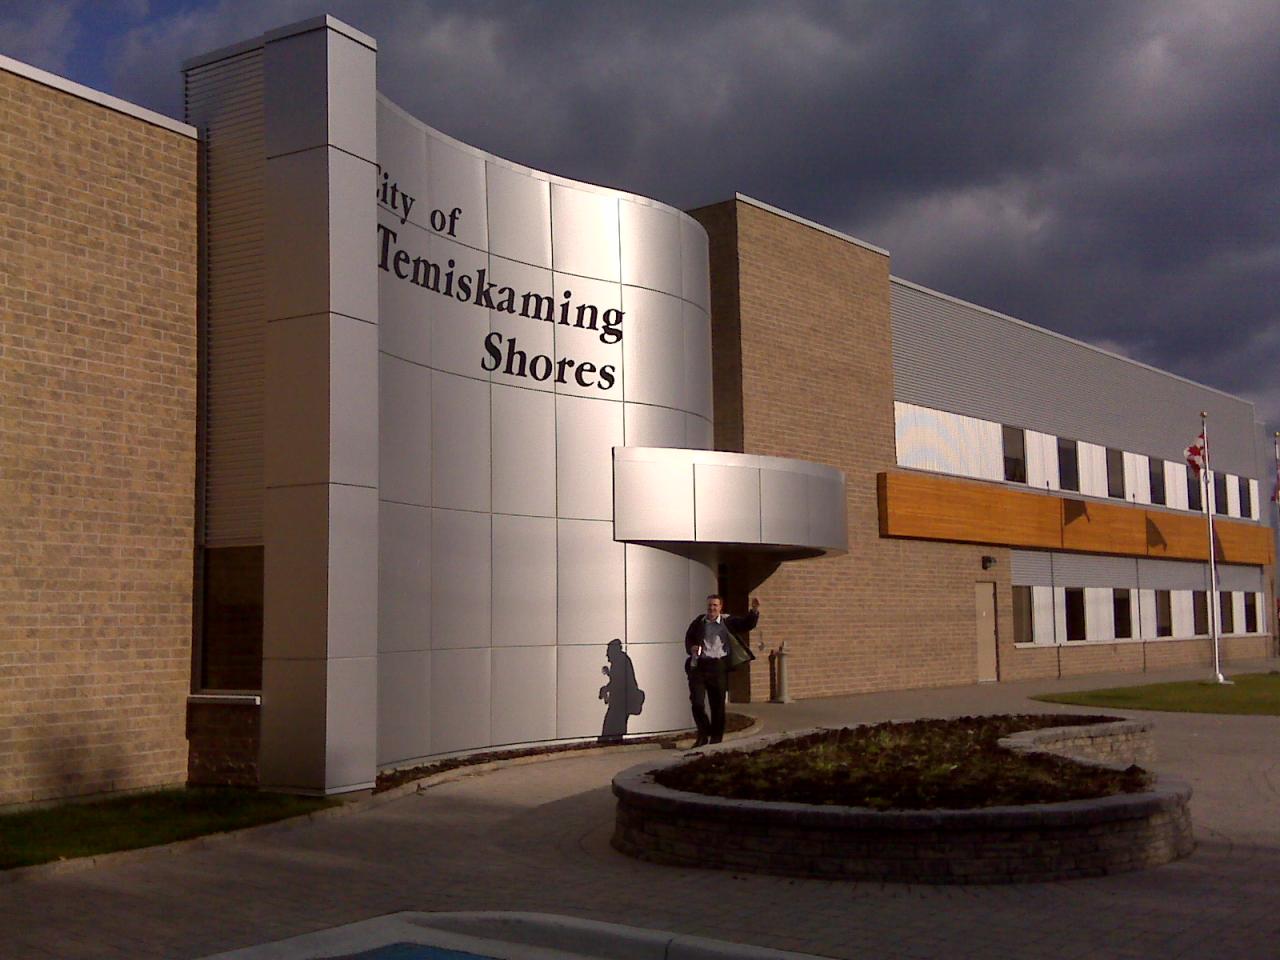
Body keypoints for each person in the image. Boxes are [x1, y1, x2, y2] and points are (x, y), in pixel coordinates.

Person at [685, 594, 760, 747]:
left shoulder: (727, 621)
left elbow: (746, 624)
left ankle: (716, 738)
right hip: (699, 666)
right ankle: (703, 734)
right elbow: (689, 638)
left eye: (715, 605)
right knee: (697, 703)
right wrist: (691, 647)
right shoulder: (699, 622)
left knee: (717, 705)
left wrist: (754, 611)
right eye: (709, 606)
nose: (712, 608)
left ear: (720, 607)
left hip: (718, 666)